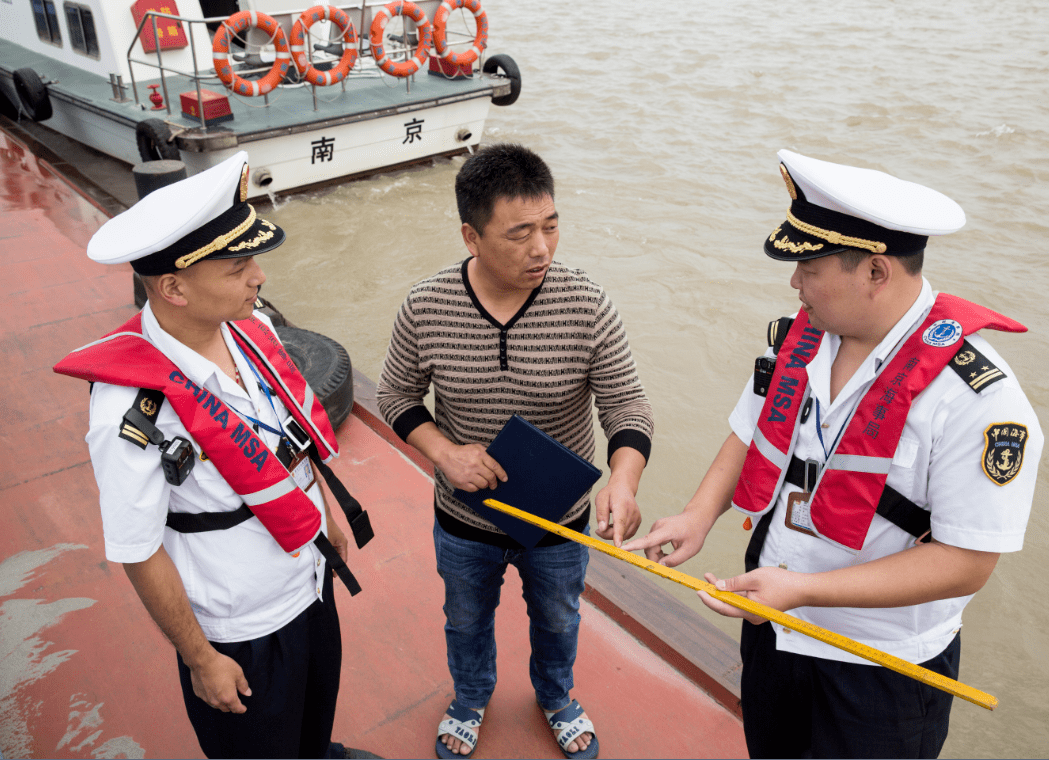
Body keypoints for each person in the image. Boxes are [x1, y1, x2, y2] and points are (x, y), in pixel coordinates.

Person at [625, 150, 1043, 759]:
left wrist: (804, 591)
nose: (794, 282)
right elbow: (751, 431)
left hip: (880, 667)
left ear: (875, 271)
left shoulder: (978, 400)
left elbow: (967, 563)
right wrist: (697, 515)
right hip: (774, 635)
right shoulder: (804, 337)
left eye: (808, 267)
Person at [53, 152, 377, 760]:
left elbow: (290, 442)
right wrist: (201, 657)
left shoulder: (253, 334)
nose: (259, 278)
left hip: (310, 584)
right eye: (238, 267)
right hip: (241, 632)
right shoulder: (130, 410)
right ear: (173, 287)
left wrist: (326, 516)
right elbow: (137, 546)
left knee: (312, 729)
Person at [376, 143, 654, 760]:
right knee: (465, 618)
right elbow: (395, 394)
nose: (541, 249)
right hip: (465, 517)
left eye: (551, 227)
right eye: (520, 233)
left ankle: (556, 696)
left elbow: (627, 407)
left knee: (558, 618)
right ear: (472, 237)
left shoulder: (587, 304)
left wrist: (624, 478)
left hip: (559, 517)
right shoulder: (426, 306)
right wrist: (444, 452)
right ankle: (471, 696)